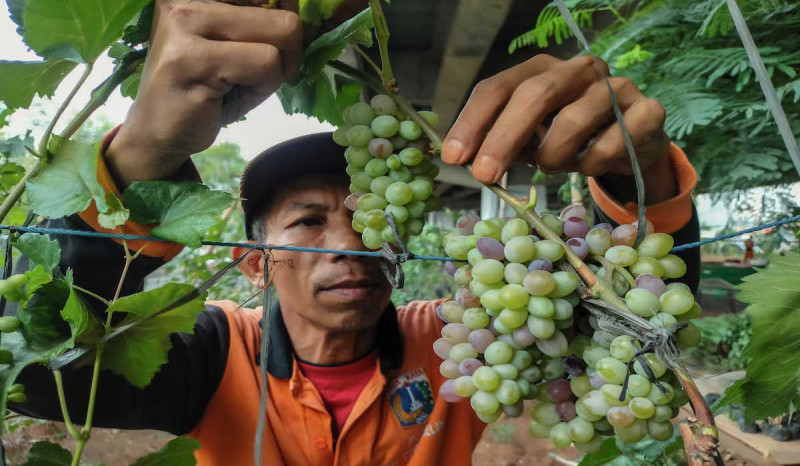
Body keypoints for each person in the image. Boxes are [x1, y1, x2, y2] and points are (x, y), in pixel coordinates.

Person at [10, 1, 700, 464]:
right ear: (254, 264)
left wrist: (644, 181)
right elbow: (32, 377)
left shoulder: (456, 337)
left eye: (374, 221)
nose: (351, 244)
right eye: (309, 220)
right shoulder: (216, 355)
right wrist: (138, 161)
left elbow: (637, 330)